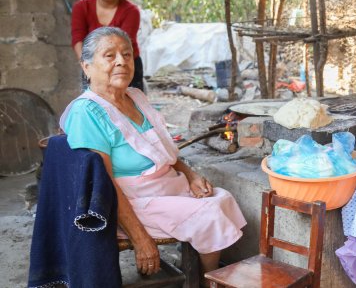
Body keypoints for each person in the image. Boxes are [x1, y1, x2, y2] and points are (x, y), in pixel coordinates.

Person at [60, 27, 246, 279]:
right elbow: (104, 184)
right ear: (87, 67)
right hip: (129, 201)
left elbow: (161, 151)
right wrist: (141, 239)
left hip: (163, 187)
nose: (121, 61)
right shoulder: (87, 112)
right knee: (209, 214)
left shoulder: (135, 96)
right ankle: (211, 279)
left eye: (126, 55)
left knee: (223, 198)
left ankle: (203, 271)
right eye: (109, 55)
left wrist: (190, 175)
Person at [71, 0, 144, 90]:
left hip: (124, 63)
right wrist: (89, 66)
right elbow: (78, 39)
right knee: (94, 105)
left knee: (127, 104)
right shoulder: (81, 7)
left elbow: (122, 44)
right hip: (93, 64)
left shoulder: (131, 11)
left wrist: (111, 66)